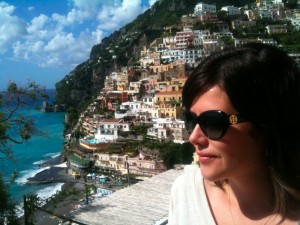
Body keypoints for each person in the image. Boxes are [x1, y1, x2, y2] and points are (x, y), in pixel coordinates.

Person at [168, 43, 300, 225]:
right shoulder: (185, 193)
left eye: (212, 122)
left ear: (264, 124)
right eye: (191, 120)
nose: (193, 137)